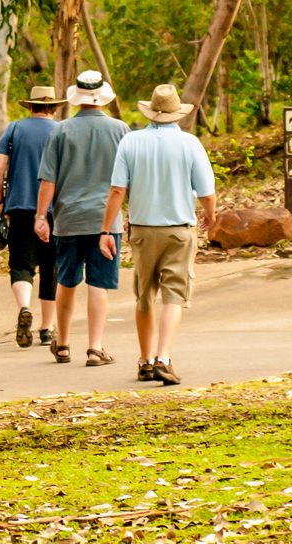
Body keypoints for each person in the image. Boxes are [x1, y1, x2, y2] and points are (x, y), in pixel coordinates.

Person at [100, 84, 216, 386]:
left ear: (151, 112)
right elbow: (206, 192)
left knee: (144, 294)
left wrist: (105, 230)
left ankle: (145, 360)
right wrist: (211, 216)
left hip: (141, 230)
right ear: (177, 113)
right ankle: (164, 359)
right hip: (179, 231)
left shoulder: (131, 142)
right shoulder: (190, 144)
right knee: (174, 295)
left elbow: (117, 190)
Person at [35, 71, 129, 367]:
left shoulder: (60, 131)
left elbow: (48, 180)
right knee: (98, 284)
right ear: (102, 96)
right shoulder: (121, 130)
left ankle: (62, 344)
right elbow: (128, 180)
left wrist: (41, 216)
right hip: (107, 222)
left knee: (67, 280)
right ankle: (95, 348)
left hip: (69, 219)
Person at [0, 87, 65, 349]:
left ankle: (24, 307)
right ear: (53, 108)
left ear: (30, 106)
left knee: (21, 263)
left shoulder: (15, 128)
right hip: (56, 208)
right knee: (51, 266)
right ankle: (47, 329)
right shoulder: (61, 130)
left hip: (20, 207)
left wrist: (1, 201)